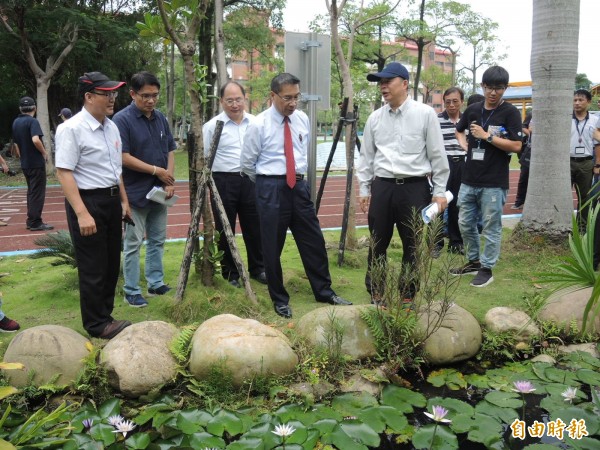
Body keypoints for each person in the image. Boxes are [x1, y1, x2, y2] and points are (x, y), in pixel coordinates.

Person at [241, 72, 352, 319]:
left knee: (313, 240)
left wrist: (296, 181)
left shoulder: (301, 119)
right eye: (287, 98)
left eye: (296, 97)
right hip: (270, 188)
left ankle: (324, 291)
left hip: (299, 188)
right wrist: (269, 184)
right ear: (273, 96)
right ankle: (279, 299)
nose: (293, 103)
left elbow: (302, 153)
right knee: (272, 247)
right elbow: (247, 164)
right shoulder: (258, 124)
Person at [357, 62, 449, 304]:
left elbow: (437, 154)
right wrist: (364, 189)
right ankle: (376, 292)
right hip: (383, 187)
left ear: (405, 83)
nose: (383, 86)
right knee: (377, 243)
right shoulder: (375, 118)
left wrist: (439, 191)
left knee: (412, 244)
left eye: (388, 81)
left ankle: (408, 294)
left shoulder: (425, 114)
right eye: (380, 82)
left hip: (414, 188)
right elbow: (366, 156)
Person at [55, 71, 132, 340]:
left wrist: (123, 200)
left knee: (111, 264)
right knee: (93, 266)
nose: (112, 98)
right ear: (88, 97)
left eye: (114, 93)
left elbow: (116, 168)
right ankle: (96, 324)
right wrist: (82, 213)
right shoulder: (71, 129)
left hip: (111, 200)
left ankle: (106, 316)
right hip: (88, 202)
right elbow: (64, 173)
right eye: (106, 93)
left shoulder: (111, 126)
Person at [451, 66, 523, 287]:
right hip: (469, 178)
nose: (493, 92)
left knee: (491, 226)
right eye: (489, 87)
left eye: (499, 88)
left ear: (505, 89)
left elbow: (517, 145)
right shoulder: (473, 109)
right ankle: (473, 261)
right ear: (482, 86)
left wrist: (487, 136)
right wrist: (464, 145)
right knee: (464, 222)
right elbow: (459, 129)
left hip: (494, 181)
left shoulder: (510, 112)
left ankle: (487, 267)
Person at [113, 71, 176, 308]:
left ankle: (155, 282)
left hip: (159, 192)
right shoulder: (122, 119)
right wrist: (155, 171)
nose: (151, 100)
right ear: (132, 94)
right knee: (133, 244)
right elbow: (123, 157)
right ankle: (131, 290)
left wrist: (168, 180)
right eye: (145, 96)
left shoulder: (160, 118)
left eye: (155, 95)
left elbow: (170, 149)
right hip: (135, 192)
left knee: (158, 240)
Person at [203, 81, 266, 288]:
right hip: (223, 181)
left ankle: (258, 268)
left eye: (238, 99)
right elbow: (205, 158)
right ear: (221, 101)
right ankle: (230, 273)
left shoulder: (256, 122)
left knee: (255, 226)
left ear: (245, 98)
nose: (234, 104)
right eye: (229, 100)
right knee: (224, 227)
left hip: (250, 180)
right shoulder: (212, 127)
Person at [11, 96, 53, 231]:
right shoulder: (33, 122)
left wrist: (21, 156)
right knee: (37, 193)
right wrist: (44, 152)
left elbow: (16, 144)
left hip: (25, 163)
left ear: (20, 109)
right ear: (35, 108)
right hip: (35, 162)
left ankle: (31, 220)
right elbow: (35, 139)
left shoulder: (16, 122)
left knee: (31, 192)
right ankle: (35, 221)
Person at [435, 86, 465, 256]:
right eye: (448, 102)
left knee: (457, 206)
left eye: (455, 101)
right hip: (442, 165)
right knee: (438, 204)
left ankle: (456, 242)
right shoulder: (436, 120)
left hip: (462, 164)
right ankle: (435, 243)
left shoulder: (468, 120)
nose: (452, 105)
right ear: (443, 102)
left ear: (462, 101)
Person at [570, 89, 598, 228]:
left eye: (580, 100)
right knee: (564, 196)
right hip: (567, 162)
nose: (577, 103)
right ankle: (566, 225)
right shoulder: (566, 119)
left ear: (588, 102)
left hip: (586, 162)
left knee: (584, 197)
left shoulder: (595, 120)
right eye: (575, 100)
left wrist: (597, 164)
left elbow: (598, 144)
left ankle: (582, 227)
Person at [511, 111, 532, 210]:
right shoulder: (532, 114)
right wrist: (530, 134)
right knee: (524, 176)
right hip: (529, 150)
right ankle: (519, 202)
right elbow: (523, 127)